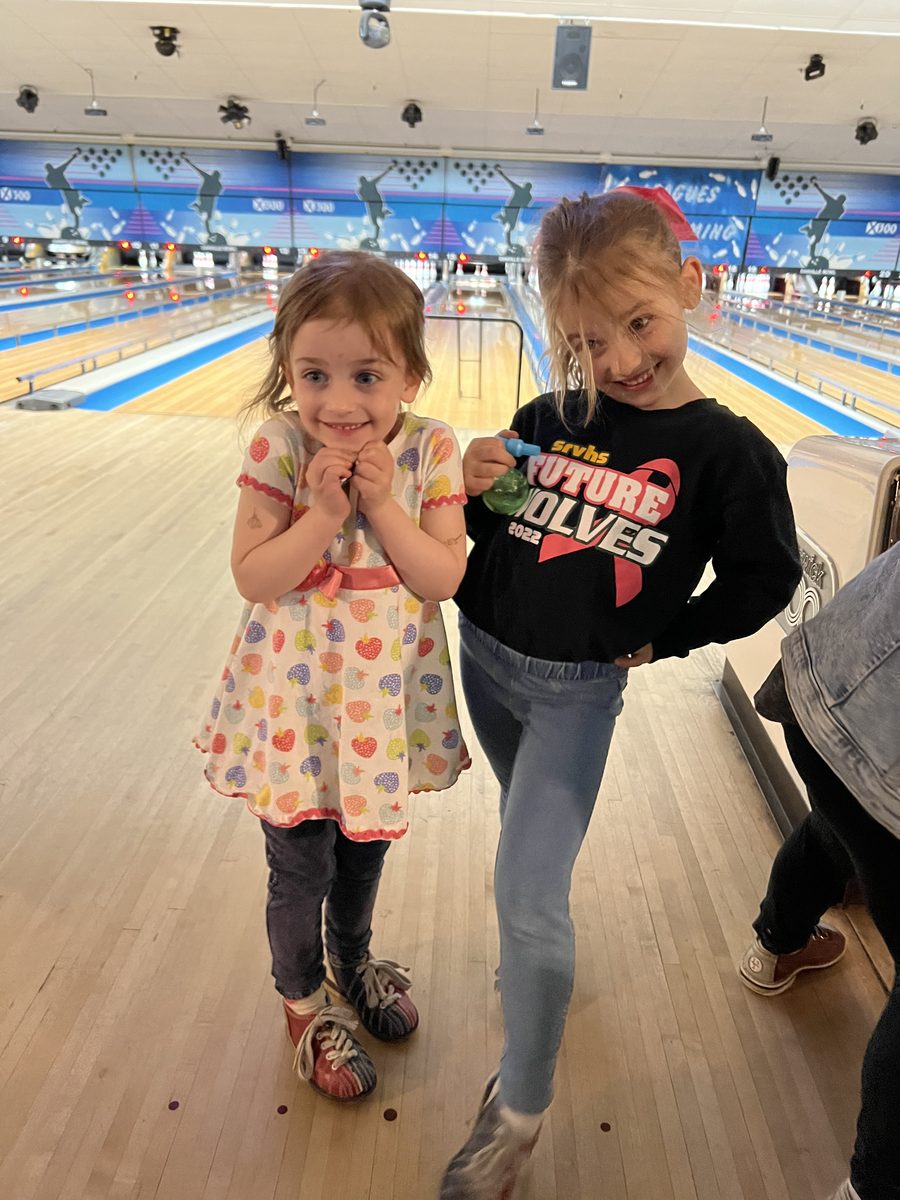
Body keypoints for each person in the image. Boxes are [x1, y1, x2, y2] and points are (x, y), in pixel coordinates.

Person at [440, 189, 802, 1198]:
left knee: (526, 891)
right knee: (519, 826)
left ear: (690, 286)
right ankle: (531, 977)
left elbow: (762, 581)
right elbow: (495, 539)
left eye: (638, 324)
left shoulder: (727, 453)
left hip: (573, 694)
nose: (621, 360)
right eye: (589, 342)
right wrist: (461, 491)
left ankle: (517, 1113)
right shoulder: (549, 417)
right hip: (484, 655)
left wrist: (668, 634)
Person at [195, 250, 470, 1102]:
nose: (340, 402)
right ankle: (303, 1000)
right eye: (314, 375)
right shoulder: (278, 444)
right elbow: (255, 577)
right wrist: (322, 513)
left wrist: (382, 503)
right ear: (287, 372)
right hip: (296, 706)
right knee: (299, 869)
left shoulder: (432, 450)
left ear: (411, 377)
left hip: (381, 710)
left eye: (367, 375)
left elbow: (441, 577)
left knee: (361, 858)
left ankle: (352, 962)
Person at [739, 542, 900, 1200]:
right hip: (882, 741)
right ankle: (873, 1187)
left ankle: (774, 947)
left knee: (840, 818)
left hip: (826, 680)